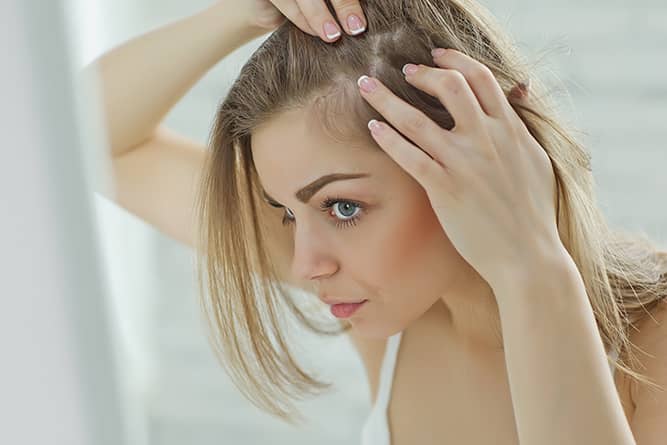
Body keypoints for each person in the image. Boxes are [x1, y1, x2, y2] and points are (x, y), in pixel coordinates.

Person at [87, 1, 667, 443]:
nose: (304, 263)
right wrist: (243, 12)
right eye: (287, 212)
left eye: (343, 207)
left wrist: (531, 266)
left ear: (491, 149)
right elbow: (87, 142)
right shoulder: (395, 313)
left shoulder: (655, 341)